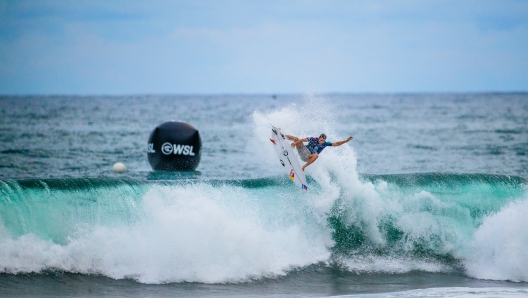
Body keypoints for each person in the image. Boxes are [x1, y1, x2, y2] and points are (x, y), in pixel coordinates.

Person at [286, 133, 353, 171]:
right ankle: (282, 135)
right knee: (296, 139)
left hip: (307, 156)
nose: (321, 142)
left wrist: (345, 141)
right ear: (319, 138)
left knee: (316, 155)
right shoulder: (314, 139)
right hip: (302, 150)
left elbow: (336, 144)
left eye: (323, 141)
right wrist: (295, 143)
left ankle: (303, 167)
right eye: (321, 140)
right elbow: (303, 139)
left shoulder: (325, 144)